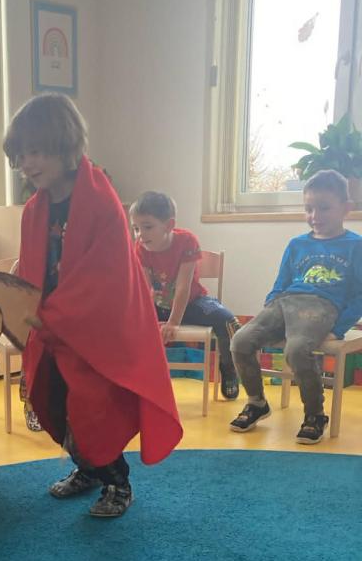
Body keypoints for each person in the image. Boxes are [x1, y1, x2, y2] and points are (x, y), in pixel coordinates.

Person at [2, 94, 182, 518]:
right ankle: (86, 469)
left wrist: (54, 316)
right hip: (51, 331)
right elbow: (31, 271)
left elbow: (105, 277)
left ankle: (117, 481)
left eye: (36, 151)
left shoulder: (101, 202)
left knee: (94, 411)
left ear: (64, 145)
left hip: (95, 334)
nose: (27, 163)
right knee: (58, 403)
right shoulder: (35, 210)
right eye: (21, 154)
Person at [230, 169, 362, 444]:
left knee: (296, 350)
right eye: (308, 209)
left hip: (322, 307)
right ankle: (256, 402)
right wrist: (270, 313)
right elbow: (281, 284)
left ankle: (315, 414)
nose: (315, 216)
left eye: (324, 208)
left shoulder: (355, 246)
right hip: (285, 303)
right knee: (240, 340)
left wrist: (339, 328)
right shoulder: (297, 244)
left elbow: (359, 295)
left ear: (346, 208)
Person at [130, 191, 240, 399]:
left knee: (228, 321)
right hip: (159, 304)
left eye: (147, 227)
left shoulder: (187, 241)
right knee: (126, 321)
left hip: (192, 302)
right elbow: (145, 289)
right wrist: (148, 319)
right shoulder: (140, 248)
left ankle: (228, 368)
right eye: (136, 228)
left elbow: (183, 287)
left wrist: (173, 323)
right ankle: (138, 376)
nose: (140, 235)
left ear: (169, 225)